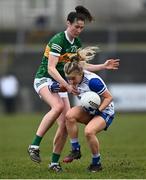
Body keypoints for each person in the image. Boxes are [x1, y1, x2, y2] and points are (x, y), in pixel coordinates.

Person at [27, 5, 119, 172]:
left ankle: (54, 163)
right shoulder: (58, 41)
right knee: (59, 107)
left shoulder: (76, 43)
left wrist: (103, 66)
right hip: (45, 79)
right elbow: (51, 68)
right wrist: (68, 86)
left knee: (65, 122)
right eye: (76, 26)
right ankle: (34, 145)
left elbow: (80, 67)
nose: (78, 30)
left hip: (63, 83)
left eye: (81, 28)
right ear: (68, 23)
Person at [63, 54, 115, 172]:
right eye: (68, 78)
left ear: (80, 74)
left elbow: (109, 98)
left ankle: (96, 163)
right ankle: (76, 150)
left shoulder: (93, 82)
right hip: (89, 109)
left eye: (73, 78)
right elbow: (69, 86)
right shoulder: (75, 79)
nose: (70, 81)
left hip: (105, 111)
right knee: (69, 115)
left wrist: (99, 110)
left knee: (89, 132)